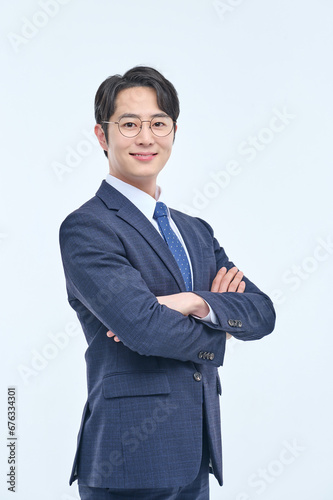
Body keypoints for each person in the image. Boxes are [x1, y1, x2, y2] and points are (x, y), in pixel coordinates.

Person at [59, 66, 276, 500]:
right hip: (127, 460)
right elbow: (143, 327)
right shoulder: (88, 228)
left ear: (173, 132)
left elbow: (262, 312)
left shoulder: (195, 230)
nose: (146, 137)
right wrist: (214, 317)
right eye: (129, 124)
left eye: (159, 123)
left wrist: (190, 300)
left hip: (197, 453)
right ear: (103, 136)